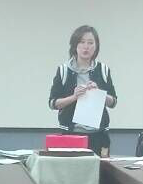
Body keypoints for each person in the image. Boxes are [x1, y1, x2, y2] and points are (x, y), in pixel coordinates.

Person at [49, 25, 117, 156]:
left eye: (90, 43)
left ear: (96, 46)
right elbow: (52, 103)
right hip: (71, 134)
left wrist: (99, 93)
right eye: (82, 42)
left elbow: (113, 102)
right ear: (75, 45)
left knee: (101, 168)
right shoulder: (64, 70)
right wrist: (74, 97)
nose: (86, 47)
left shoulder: (103, 70)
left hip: (99, 135)